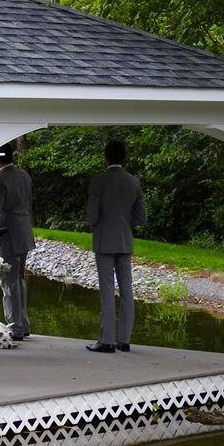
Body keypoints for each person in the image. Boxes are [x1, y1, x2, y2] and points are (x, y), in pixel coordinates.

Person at [85, 140, 146, 353]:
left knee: (108, 291)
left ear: (106, 158)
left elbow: (92, 216)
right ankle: (125, 340)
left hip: (104, 241)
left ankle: (107, 340)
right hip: (125, 241)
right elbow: (140, 217)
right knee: (127, 289)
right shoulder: (133, 182)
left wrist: (95, 224)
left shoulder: (98, 181)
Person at [0, 143, 35, 341]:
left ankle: (14, 326)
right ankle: (23, 323)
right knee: (20, 279)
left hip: (6, 237)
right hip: (24, 233)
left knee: (8, 282)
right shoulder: (24, 175)